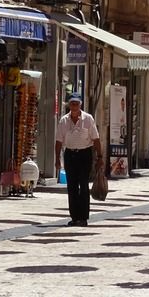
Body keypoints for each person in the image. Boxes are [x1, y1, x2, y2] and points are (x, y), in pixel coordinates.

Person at [54, 93, 104, 227]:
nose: (74, 106)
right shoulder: (64, 121)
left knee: (84, 185)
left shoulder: (88, 119)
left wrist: (100, 157)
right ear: (69, 105)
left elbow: (96, 139)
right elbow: (59, 141)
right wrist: (57, 159)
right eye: (72, 103)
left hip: (84, 155)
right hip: (70, 155)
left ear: (80, 104)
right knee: (72, 187)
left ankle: (83, 217)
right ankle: (74, 217)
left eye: (76, 103)